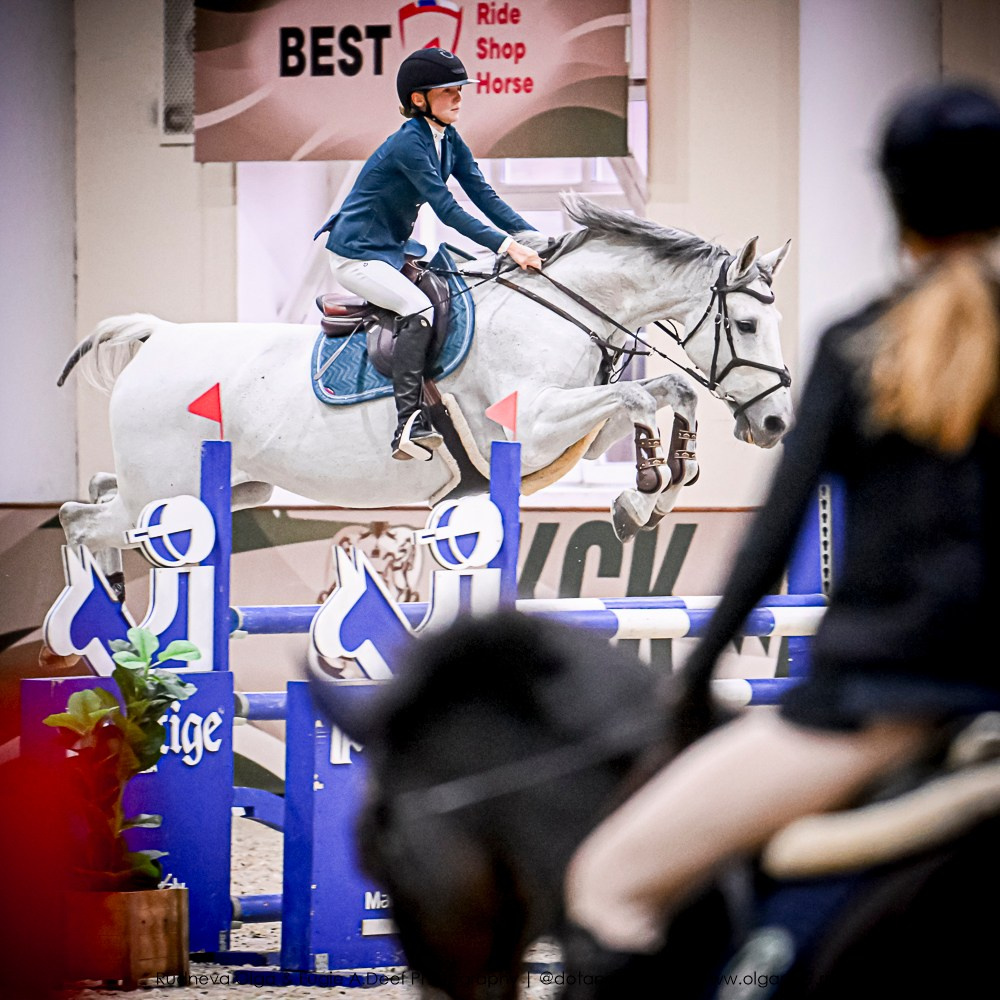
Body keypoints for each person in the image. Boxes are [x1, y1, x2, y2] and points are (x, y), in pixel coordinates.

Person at [562, 80, 1000, 989]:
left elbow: (768, 546)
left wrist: (688, 693)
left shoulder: (855, 344)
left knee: (608, 887)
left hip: (873, 712)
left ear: (895, 201)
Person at [314, 47, 543, 461]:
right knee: (417, 309)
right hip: (356, 256)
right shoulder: (409, 144)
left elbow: (482, 195)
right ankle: (407, 424)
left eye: (460, 89)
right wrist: (508, 246)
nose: (458, 97)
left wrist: (533, 236)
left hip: (390, 250)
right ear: (419, 99)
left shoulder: (448, 139)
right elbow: (449, 210)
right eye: (448, 91)